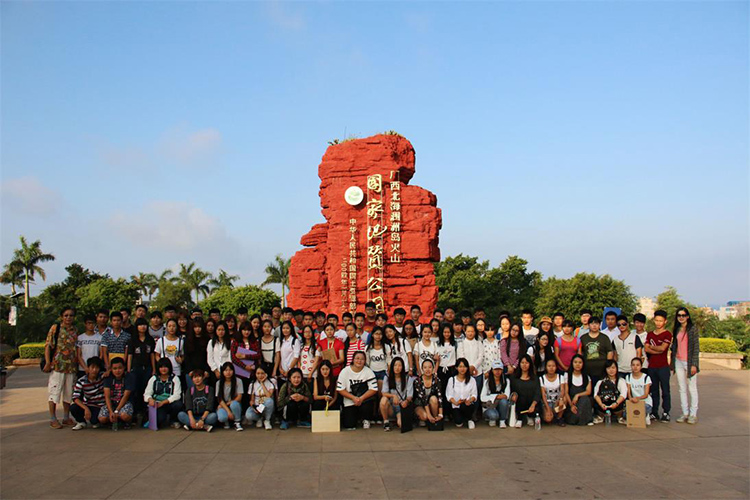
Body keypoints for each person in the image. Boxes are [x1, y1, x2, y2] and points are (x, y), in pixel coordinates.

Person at [44, 307, 78, 429]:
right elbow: (48, 345)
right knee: (54, 393)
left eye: (71, 315)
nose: (68, 318)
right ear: (61, 317)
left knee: (69, 394)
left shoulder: (75, 330)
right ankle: (53, 418)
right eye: (66, 315)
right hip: (58, 366)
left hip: (71, 367)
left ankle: (66, 417)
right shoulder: (56, 328)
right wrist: (48, 362)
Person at [671, 307, 700, 424]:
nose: (681, 317)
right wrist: (672, 363)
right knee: (681, 388)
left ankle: (693, 414)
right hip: (678, 360)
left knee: (692, 388)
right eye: (679, 315)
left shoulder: (692, 329)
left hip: (689, 361)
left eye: (683, 315)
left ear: (687, 316)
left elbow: (696, 347)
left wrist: (694, 364)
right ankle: (685, 412)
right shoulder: (677, 329)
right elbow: (674, 346)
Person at [337, 351, 378, 430]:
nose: (359, 361)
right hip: (350, 399)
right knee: (349, 425)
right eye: (357, 358)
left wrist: (361, 398)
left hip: (364, 399)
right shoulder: (345, 371)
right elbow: (340, 389)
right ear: (353, 359)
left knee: (368, 404)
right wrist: (353, 398)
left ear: (365, 361)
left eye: (362, 359)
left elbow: (373, 389)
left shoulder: (368, 371)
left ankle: (366, 419)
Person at [128, 318, 156, 426]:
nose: (142, 327)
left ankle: (146, 414)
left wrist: (154, 369)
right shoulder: (133, 340)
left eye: (144, 325)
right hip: (136, 368)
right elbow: (130, 355)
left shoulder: (150, 339)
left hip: (147, 368)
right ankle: (136, 413)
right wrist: (128, 370)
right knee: (136, 390)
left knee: (146, 390)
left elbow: (152, 355)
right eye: (140, 325)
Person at [646, 309, 672, 422]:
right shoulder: (650, 334)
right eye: (656, 320)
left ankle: (666, 412)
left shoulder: (667, 334)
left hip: (663, 367)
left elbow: (663, 348)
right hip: (652, 366)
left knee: (665, 390)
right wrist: (656, 349)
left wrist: (652, 347)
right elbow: (646, 348)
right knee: (654, 391)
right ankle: (654, 412)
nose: (658, 323)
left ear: (665, 321)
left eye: (660, 321)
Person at [144, 358, 183, 429]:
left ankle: (173, 420)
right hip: (157, 404)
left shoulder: (175, 378)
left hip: (169, 403)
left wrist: (163, 402)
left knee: (178, 404)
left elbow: (177, 395)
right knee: (160, 419)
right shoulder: (154, 379)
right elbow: (147, 393)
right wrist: (150, 399)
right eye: (161, 367)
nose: (163, 369)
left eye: (165, 367)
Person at [99, 357, 134, 429]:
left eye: (120, 368)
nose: (117, 371)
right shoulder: (108, 377)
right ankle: (111, 421)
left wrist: (116, 411)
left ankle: (125, 421)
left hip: (124, 403)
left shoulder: (129, 377)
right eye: (115, 368)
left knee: (125, 416)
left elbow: (126, 396)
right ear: (111, 369)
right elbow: (107, 397)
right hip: (112, 403)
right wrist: (111, 411)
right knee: (102, 419)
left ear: (124, 368)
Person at [71, 356, 105, 430]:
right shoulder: (81, 381)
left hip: (99, 406)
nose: (94, 370)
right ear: (88, 368)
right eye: (92, 367)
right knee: (73, 407)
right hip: (88, 404)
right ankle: (81, 422)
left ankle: (95, 421)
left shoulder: (102, 377)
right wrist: (85, 408)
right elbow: (75, 397)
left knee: (95, 421)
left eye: (97, 368)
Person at [379, 358, 414, 431]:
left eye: (399, 365)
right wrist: (393, 396)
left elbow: (410, 396)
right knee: (383, 400)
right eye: (395, 365)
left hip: (401, 406)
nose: (397, 368)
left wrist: (406, 401)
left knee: (401, 424)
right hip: (391, 406)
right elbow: (384, 393)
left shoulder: (408, 378)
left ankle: (398, 420)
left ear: (403, 367)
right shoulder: (387, 377)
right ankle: (386, 422)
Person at [578, 317, 613, 389]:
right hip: (587, 370)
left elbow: (609, 352)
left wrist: (608, 366)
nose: (594, 326)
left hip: (602, 370)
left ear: (599, 325)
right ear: (588, 325)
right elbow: (580, 353)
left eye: (596, 323)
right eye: (592, 323)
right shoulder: (583, 338)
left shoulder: (604, 338)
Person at [457, 324, 484, 416]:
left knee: (476, 393)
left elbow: (480, 357)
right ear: (465, 332)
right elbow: (461, 357)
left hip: (477, 371)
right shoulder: (461, 344)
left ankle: (474, 413)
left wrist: (473, 366)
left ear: (475, 332)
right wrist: (468, 368)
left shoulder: (479, 343)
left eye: (472, 331)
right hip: (464, 372)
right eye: (468, 331)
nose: (470, 333)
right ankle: (464, 414)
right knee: (465, 392)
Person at [509, 355, 541, 428]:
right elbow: (512, 391)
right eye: (522, 363)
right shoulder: (514, 378)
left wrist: (533, 404)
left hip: (532, 403)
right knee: (521, 398)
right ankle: (519, 419)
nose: (524, 365)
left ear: (530, 364)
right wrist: (513, 395)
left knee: (537, 406)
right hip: (520, 403)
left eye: (526, 363)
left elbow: (538, 393)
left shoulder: (535, 378)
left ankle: (530, 416)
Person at [445, 358, 478, 429]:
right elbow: (449, 395)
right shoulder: (452, 380)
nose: (462, 369)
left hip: (467, 404)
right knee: (458, 423)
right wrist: (456, 402)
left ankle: (469, 419)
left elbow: (474, 394)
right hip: (456, 405)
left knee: (466, 406)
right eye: (460, 366)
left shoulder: (472, 380)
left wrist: (470, 400)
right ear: (456, 368)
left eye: (464, 367)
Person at [593, 360, 627, 424]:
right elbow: (595, 395)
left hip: (616, 404)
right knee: (596, 401)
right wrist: (601, 404)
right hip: (604, 404)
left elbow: (623, 394)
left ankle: (620, 417)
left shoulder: (621, 381)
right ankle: (600, 416)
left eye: (613, 368)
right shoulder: (601, 381)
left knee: (621, 401)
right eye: (608, 368)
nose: (611, 370)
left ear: (616, 368)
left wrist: (616, 403)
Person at [564, 354, 593, 426]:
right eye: (575, 362)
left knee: (585, 399)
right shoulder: (567, 375)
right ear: (572, 363)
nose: (577, 364)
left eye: (580, 362)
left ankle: (586, 419)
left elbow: (588, 391)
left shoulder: (586, 377)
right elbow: (566, 392)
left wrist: (577, 395)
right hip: (571, 402)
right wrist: (571, 405)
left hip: (582, 401)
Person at [413, 359, 443, 426]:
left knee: (434, 399)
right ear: (422, 369)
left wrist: (440, 414)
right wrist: (429, 415)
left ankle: (435, 419)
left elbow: (440, 397)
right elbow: (423, 399)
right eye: (425, 367)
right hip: (420, 404)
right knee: (425, 416)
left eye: (430, 367)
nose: (427, 369)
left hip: (430, 403)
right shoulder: (418, 381)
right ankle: (424, 418)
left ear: (433, 368)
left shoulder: (437, 380)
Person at [100, 311, 131, 375]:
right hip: (109, 363)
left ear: (121, 321)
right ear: (111, 322)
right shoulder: (106, 335)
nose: (116, 322)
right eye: (114, 320)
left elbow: (126, 351)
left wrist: (123, 365)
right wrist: (108, 366)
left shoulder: (127, 336)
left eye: (118, 320)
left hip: (122, 364)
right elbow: (104, 352)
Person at [215, 362, 244, 431]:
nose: (228, 372)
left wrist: (228, 403)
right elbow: (219, 398)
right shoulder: (218, 383)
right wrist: (228, 411)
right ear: (222, 372)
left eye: (230, 370)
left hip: (233, 404)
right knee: (222, 417)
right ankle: (226, 421)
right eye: (226, 370)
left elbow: (239, 397)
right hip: (223, 405)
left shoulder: (238, 381)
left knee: (234, 404)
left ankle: (237, 422)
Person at [246, 365, 276, 430]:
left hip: (267, 406)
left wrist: (262, 383)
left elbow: (269, 396)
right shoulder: (252, 384)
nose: (260, 375)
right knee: (248, 415)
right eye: (258, 373)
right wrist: (254, 407)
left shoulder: (271, 382)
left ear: (266, 374)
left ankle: (267, 420)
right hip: (257, 406)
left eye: (262, 373)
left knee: (269, 401)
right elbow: (252, 400)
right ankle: (259, 419)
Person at [480, 361, 510, 427]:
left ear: (502, 370)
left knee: (504, 401)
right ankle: (491, 418)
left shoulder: (506, 381)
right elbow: (482, 397)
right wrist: (496, 396)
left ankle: (502, 421)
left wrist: (494, 396)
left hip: (500, 405)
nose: (497, 371)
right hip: (489, 406)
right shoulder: (487, 382)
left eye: (499, 369)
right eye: (495, 369)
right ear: (492, 370)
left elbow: (506, 395)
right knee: (493, 416)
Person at [436, 323, 457, 411]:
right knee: (442, 390)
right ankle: (443, 411)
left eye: (448, 332)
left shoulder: (455, 344)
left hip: (451, 369)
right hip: (441, 369)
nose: (447, 334)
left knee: (451, 390)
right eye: (445, 332)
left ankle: (451, 411)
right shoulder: (438, 344)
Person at [540, 358, 566, 426]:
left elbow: (562, 390)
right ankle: (550, 414)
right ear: (546, 367)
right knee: (548, 419)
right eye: (549, 366)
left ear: (556, 367)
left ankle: (559, 418)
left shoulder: (560, 377)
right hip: (547, 403)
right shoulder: (542, 378)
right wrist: (548, 408)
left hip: (557, 402)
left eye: (553, 366)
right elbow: (543, 395)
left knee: (564, 399)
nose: (551, 368)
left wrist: (560, 400)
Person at [626, 358, 652, 426]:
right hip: (633, 400)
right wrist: (631, 399)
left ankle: (646, 415)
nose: (635, 367)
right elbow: (628, 392)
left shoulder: (646, 377)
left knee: (643, 409)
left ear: (641, 366)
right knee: (625, 414)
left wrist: (638, 398)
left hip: (645, 401)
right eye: (633, 365)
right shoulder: (628, 377)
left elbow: (646, 394)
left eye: (637, 365)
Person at [184, 318, 210, 384]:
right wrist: (190, 370)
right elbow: (186, 356)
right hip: (191, 372)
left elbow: (209, 356)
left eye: (199, 327)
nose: (197, 329)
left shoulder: (207, 340)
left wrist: (207, 370)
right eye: (195, 327)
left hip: (203, 371)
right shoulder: (188, 340)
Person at [76, 314, 102, 379]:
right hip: (82, 368)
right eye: (89, 323)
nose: (91, 325)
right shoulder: (80, 338)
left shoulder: (100, 338)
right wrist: (85, 368)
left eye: (92, 323)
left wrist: (95, 366)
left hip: (95, 369)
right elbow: (79, 355)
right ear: (85, 324)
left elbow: (101, 354)